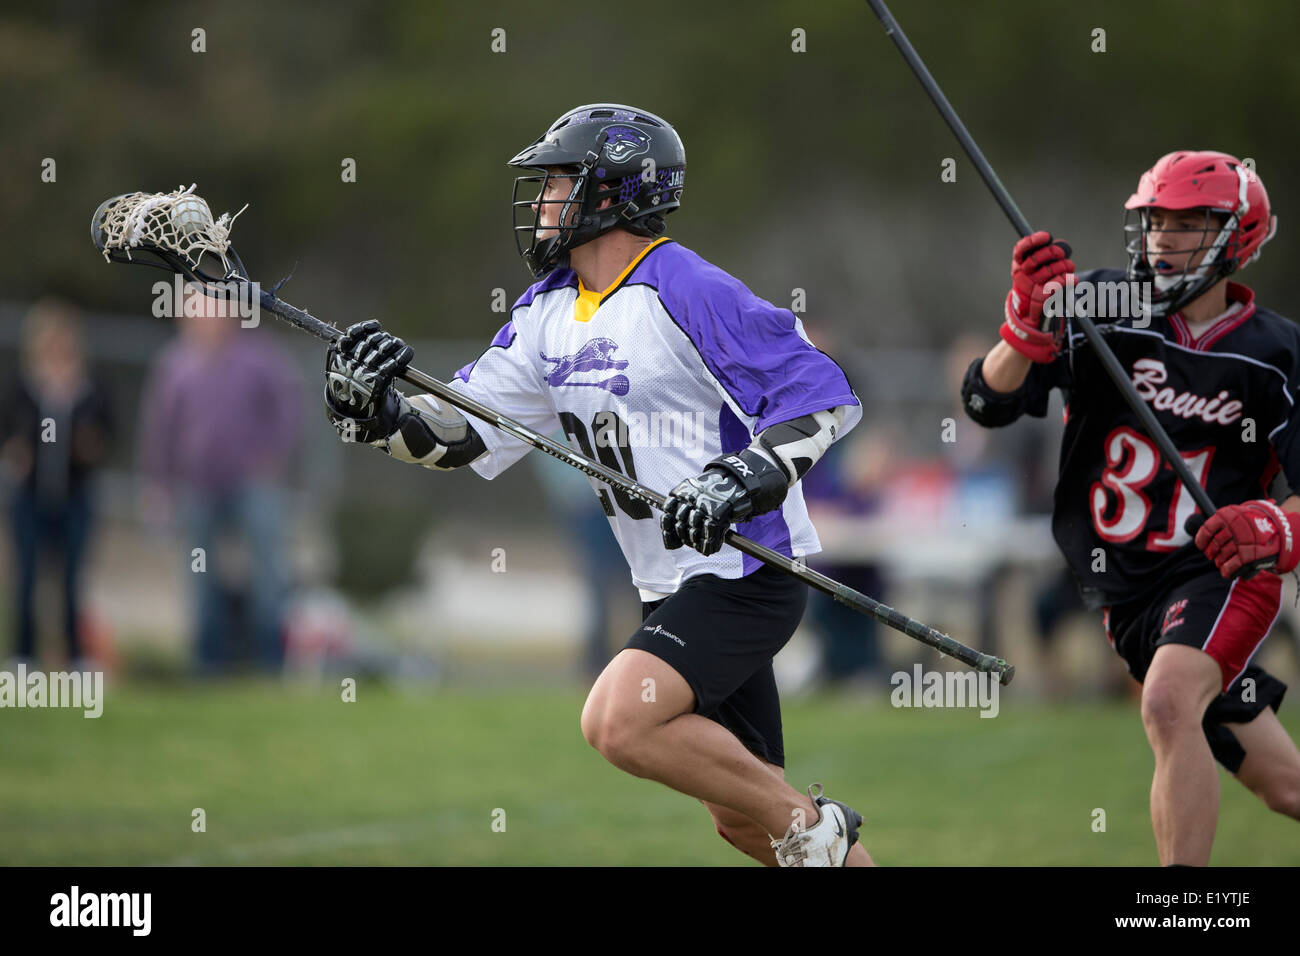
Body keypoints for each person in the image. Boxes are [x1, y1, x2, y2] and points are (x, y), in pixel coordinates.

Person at [324, 104, 871, 866]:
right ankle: (813, 832)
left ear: (612, 194)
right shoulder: (546, 312)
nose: (542, 203)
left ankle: (820, 824)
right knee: (747, 823)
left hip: (745, 571)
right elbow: (462, 434)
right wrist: (375, 415)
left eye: (556, 183)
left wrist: (739, 480)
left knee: (620, 720)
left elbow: (823, 395)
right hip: (668, 584)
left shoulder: (687, 288)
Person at [961, 150, 1300, 865]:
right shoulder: (1100, 306)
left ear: (1238, 235)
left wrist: (1271, 525)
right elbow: (986, 401)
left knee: (1169, 704)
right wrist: (1025, 325)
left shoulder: (1277, 356)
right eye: (1156, 221)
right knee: (1286, 787)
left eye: (1190, 222)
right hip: (1127, 589)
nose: (1165, 238)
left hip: (1220, 571)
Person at [138, 284, 302, 675]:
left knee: (268, 574)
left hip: (252, 485)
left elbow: (290, 410)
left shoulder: (258, 357)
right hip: (196, 488)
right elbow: (158, 430)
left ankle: (271, 664)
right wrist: (156, 485)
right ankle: (207, 666)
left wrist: (270, 457)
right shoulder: (174, 364)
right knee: (199, 575)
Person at [1, 298, 113, 667]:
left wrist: (91, 446)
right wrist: (16, 453)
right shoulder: (22, 385)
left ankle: (76, 658)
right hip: (30, 496)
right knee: (28, 577)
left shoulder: (90, 387)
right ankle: (23, 656)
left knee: (71, 580)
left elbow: (108, 434)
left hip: (75, 496)